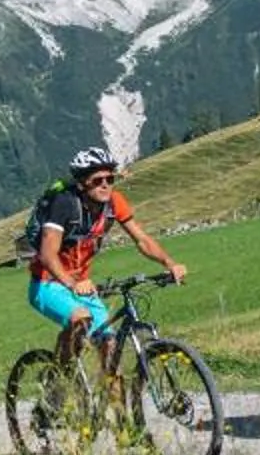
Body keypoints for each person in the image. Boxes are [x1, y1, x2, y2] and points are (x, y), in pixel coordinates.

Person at [28, 146, 185, 386]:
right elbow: (48, 255)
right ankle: (58, 381)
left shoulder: (114, 203)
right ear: (82, 184)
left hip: (82, 285)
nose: (105, 185)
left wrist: (169, 263)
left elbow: (141, 239)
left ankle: (118, 414)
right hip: (47, 283)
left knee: (109, 343)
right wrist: (72, 283)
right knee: (80, 319)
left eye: (110, 178)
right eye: (97, 180)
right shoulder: (65, 204)